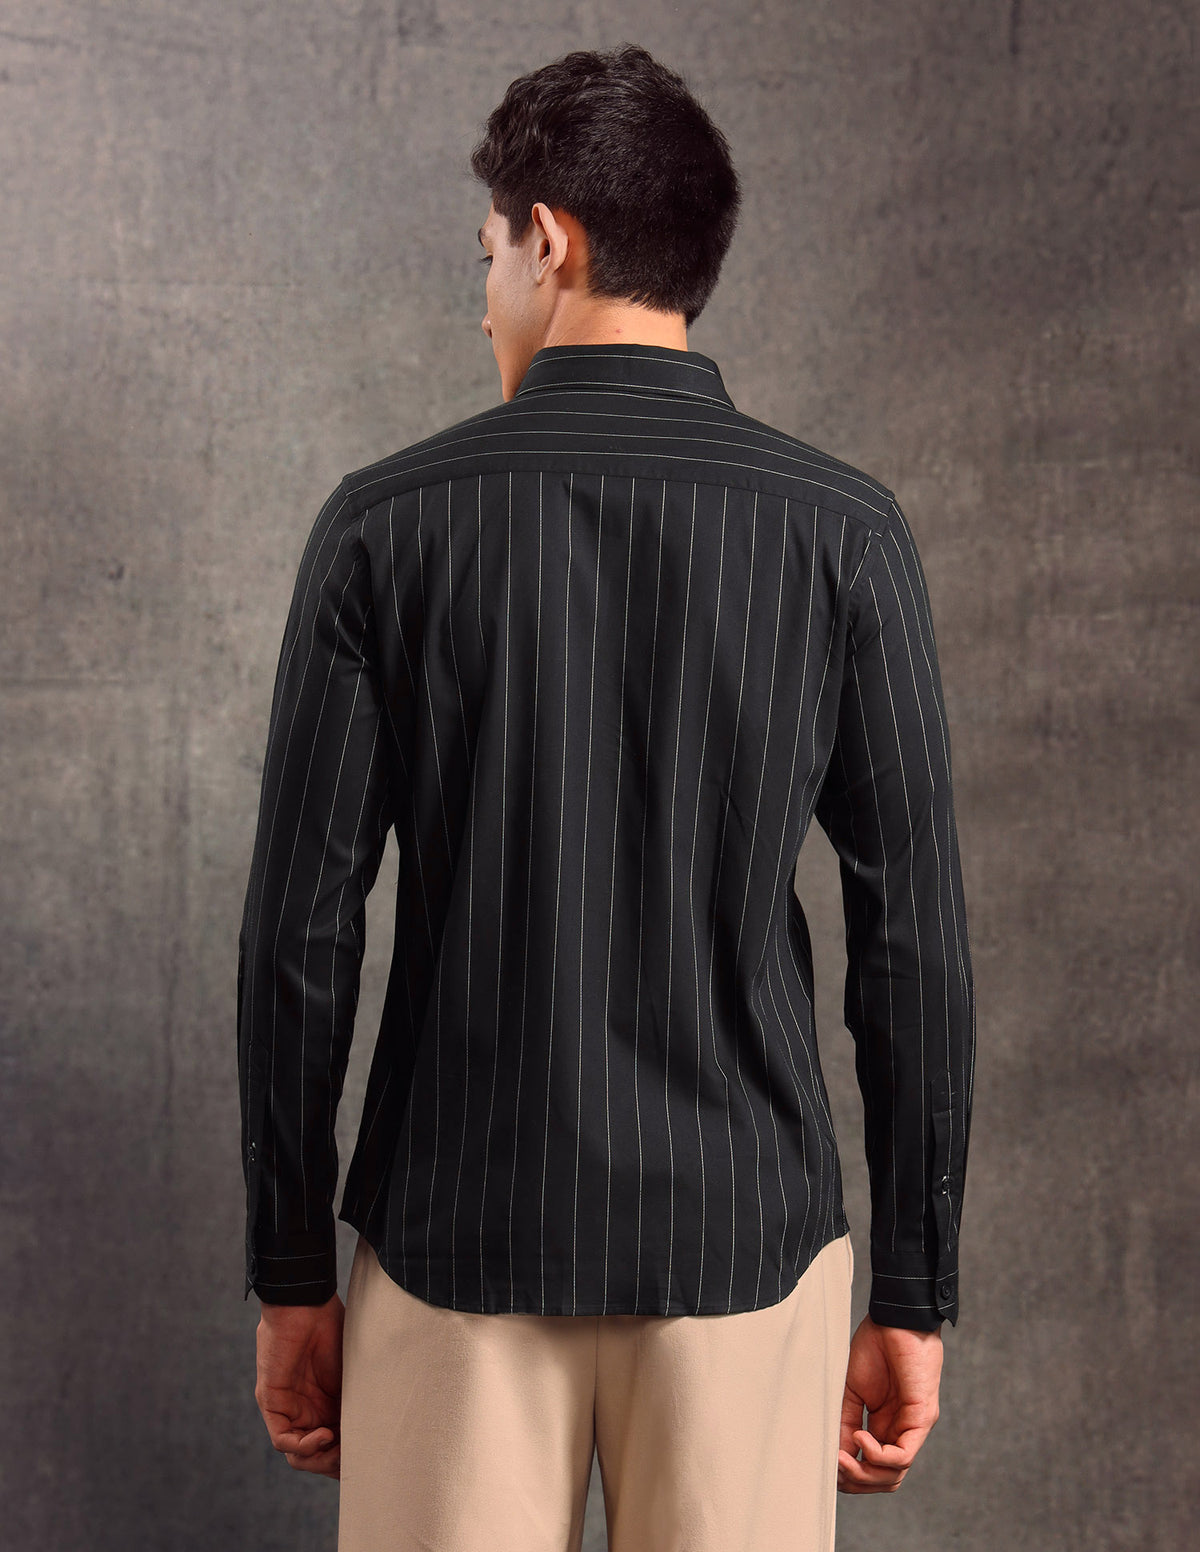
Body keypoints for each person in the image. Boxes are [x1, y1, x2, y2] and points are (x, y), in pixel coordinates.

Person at [237, 41, 975, 1552]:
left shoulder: (386, 528)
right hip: (745, 1247)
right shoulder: (842, 533)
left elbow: (300, 937)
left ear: (549, 238)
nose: (485, 299)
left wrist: (291, 1267)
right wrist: (912, 1287)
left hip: (454, 1239)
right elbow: (915, 946)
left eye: (487, 256)